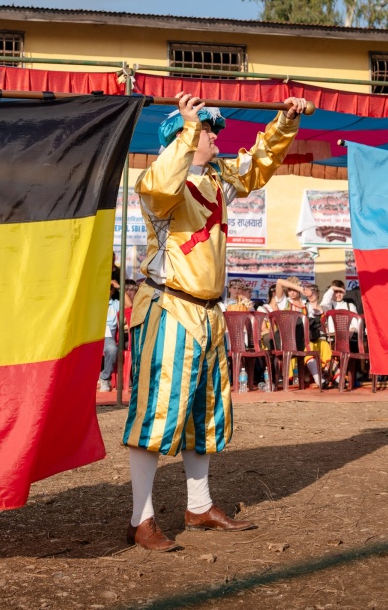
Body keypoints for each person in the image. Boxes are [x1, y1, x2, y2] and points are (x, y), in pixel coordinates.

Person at [122, 91, 305, 551]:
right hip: (167, 308)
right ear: (182, 135)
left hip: (207, 313)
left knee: (203, 417)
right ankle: (140, 518)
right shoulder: (159, 183)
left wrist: (284, 121)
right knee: (154, 416)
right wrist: (186, 127)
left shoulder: (219, 178)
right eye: (209, 130)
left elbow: (259, 164)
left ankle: (198, 505)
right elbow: (164, 182)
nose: (216, 136)